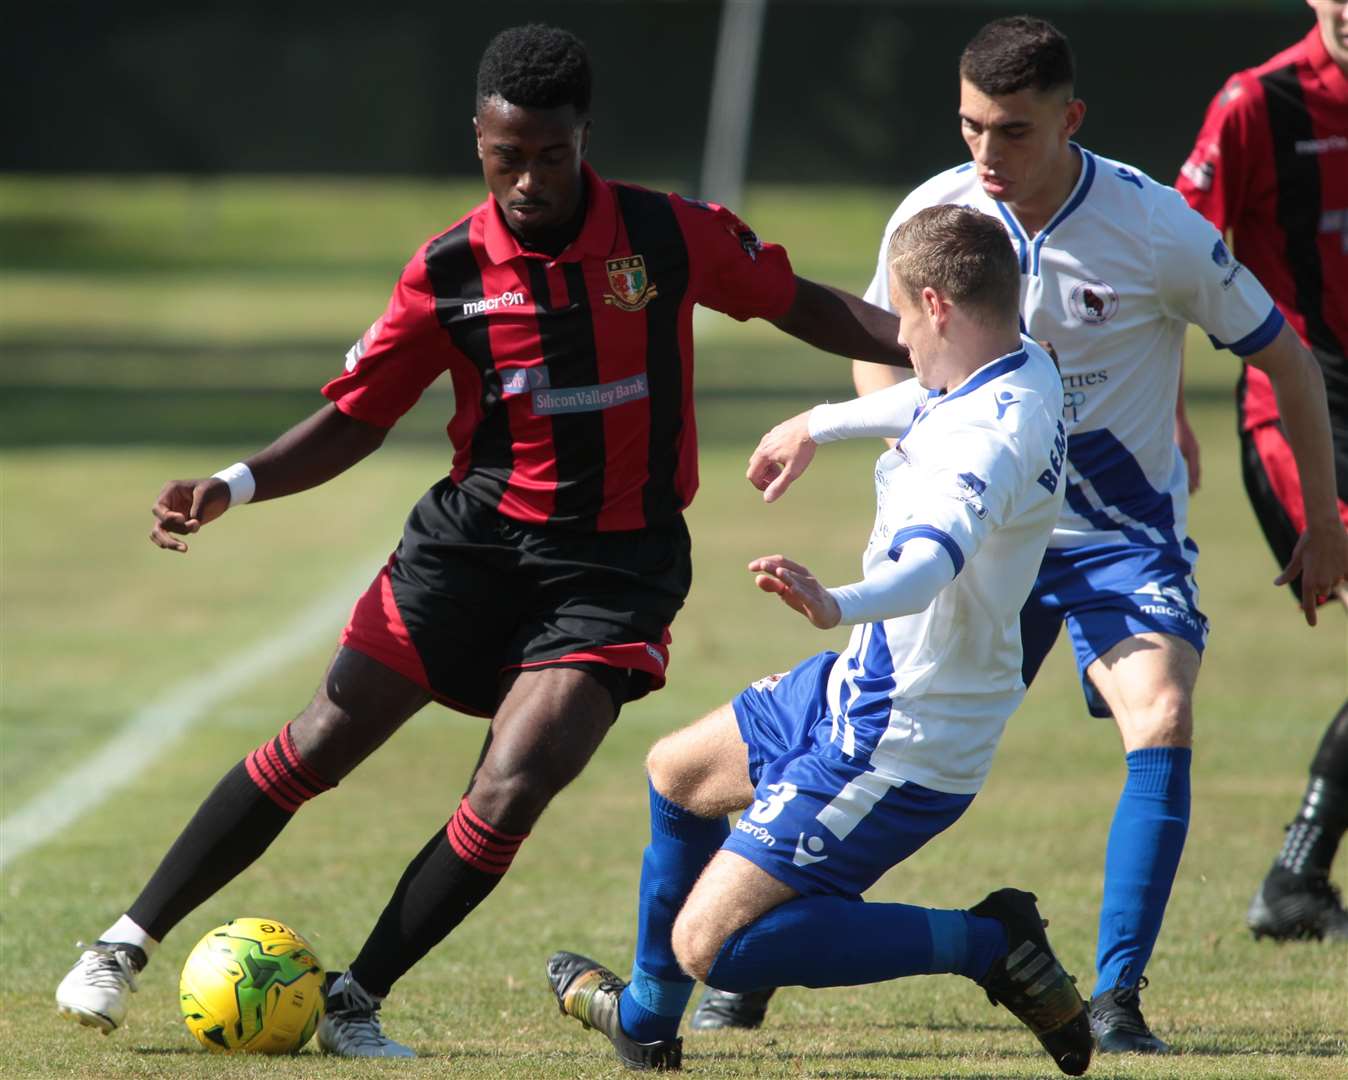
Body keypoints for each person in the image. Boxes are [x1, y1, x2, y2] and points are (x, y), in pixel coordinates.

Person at [52, 24, 908, 1058]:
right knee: (324, 739)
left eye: (552, 155)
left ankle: (353, 1001)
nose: (530, 180)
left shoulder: (666, 235)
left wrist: (942, 349)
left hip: (616, 564)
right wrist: (235, 485)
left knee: (519, 776)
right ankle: (124, 940)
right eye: (509, 158)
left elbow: (800, 303)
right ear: (478, 142)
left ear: (583, 137)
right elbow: (360, 415)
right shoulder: (448, 269)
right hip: (474, 549)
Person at [689, 15, 1348, 1054]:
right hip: (985, 539)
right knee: (889, 745)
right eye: (968, 128)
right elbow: (881, 345)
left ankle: (1117, 1000)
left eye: (1011, 132)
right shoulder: (936, 213)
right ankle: (764, 937)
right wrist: (911, 475)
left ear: (1068, 120)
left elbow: (1289, 363)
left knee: (1162, 710)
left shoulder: (1153, 225)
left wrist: (1319, 526)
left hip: (1114, 538)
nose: (984, 157)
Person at [548, 204, 1093, 1076]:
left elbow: (929, 563)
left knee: (715, 946)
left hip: (906, 735)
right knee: (679, 774)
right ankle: (647, 1026)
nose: (896, 338)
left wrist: (837, 600)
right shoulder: (1017, 365)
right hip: (870, 680)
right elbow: (935, 391)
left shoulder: (983, 444)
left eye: (900, 319)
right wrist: (819, 422)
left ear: (937, 306)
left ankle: (989, 942)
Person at [1175, 0, 1348, 942]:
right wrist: (1163, 407)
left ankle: (1295, 885)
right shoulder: (1257, 104)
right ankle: (1295, 881)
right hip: (1304, 408)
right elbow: (1164, 254)